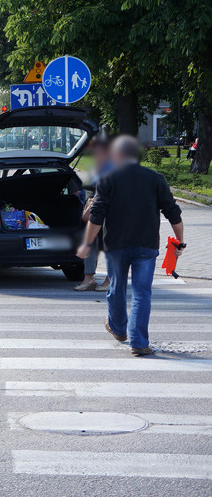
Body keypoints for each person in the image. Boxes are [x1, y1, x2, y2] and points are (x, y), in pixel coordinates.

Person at [77, 135, 184, 356]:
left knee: (116, 288)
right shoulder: (155, 178)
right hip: (146, 246)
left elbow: (96, 217)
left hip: (116, 246)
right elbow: (173, 212)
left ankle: (117, 328)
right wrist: (179, 242)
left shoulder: (107, 179)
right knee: (142, 293)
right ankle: (139, 342)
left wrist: (87, 243)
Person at [75, 137, 114, 292]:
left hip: (112, 212)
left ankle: (110, 279)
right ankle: (89, 277)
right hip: (99, 209)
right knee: (90, 240)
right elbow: (92, 186)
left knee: (110, 243)